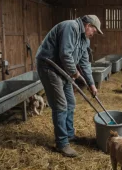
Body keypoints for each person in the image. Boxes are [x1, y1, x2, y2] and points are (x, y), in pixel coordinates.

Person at [35, 15, 103, 157]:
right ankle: (62, 143)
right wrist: (75, 73)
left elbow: (85, 63)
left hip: (63, 69)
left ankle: (69, 134)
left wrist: (91, 84)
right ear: (88, 25)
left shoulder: (85, 40)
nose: (93, 34)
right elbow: (65, 54)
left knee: (71, 102)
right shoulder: (70, 27)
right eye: (94, 31)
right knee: (61, 105)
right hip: (49, 67)